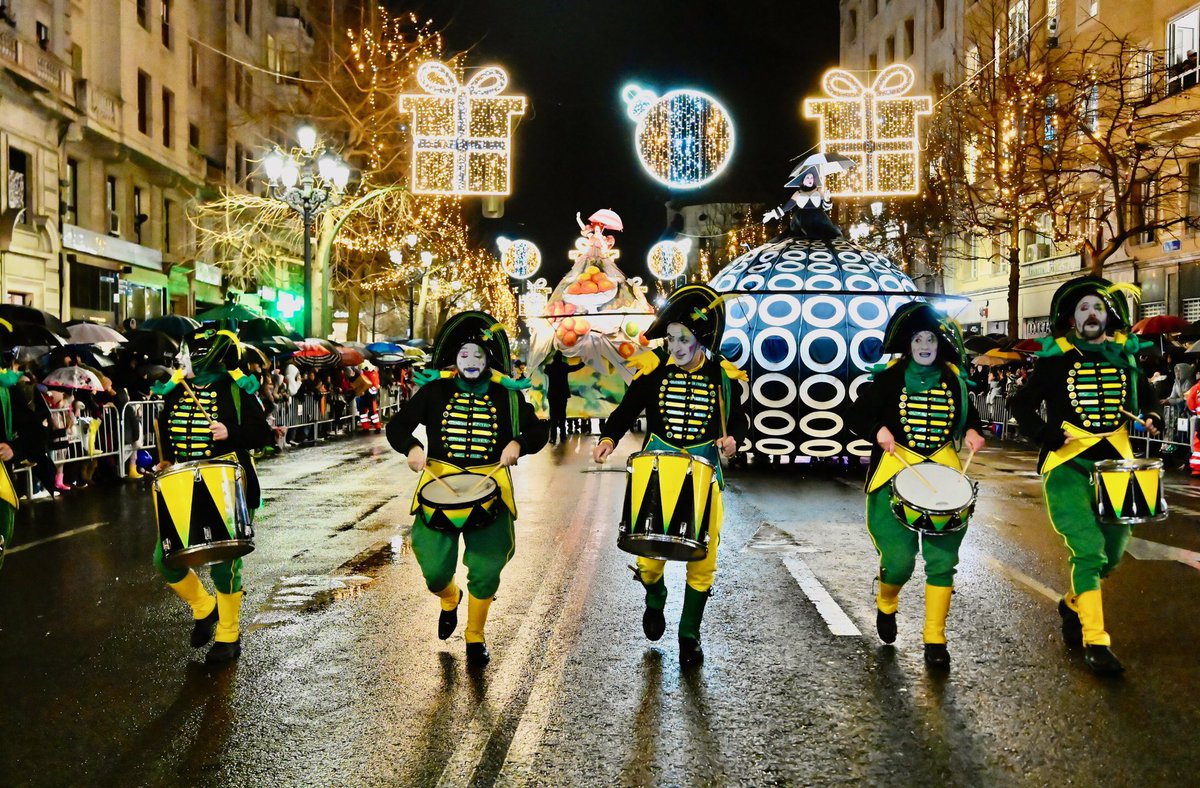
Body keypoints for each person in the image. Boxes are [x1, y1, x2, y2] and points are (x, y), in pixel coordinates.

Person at [1010, 276, 1163, 675]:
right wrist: (1044, 433)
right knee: (1088, 549)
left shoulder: (1124, 356)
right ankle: (1097, 641)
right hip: (1068, 465)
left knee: (1111, 557)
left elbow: (1144, 396)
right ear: (1072, 318)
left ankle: (1073, 603)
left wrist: (1152, 415)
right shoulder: (1056, 359)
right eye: (1083, 309)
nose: (1091, 314)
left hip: (1118, 465)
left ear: (1107, 315)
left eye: (1097, 307)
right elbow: (1021, 403)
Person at [592, 284, 748, 667]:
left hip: (703, 475)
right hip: (657, 472)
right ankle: (655, 596)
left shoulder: (721, 376)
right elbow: (627, 408)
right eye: (672, 338)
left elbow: (739, 420)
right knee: (648, 558)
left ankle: (689, 634)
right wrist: (609, 437)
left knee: (703, 561)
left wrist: (733, 440)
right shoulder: (654, 370)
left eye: (684, 339)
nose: (676, 346)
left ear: (701, 340)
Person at [386, 312, 548, 666]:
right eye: (464, 356)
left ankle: (475, 636)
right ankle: (449, 598)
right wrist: (412, 448)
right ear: (454, 359)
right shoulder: (434, 391)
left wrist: (519, 443)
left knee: (488, 568)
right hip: (438, 488)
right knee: (434, 572)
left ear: (489, 358)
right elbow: (397, 426)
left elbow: (539, 431)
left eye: (478, 355)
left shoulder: (508, 396)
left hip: (491, 487)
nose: (471, 362)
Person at [848, 303, 986, 668]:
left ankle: (935, 638)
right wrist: (877, 429)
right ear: (908, 345)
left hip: (943, 472)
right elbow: (858, 415)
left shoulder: (954, 379)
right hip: (895, 469)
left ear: (940, 344)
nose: (926, 344)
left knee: (942, 562)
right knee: (899, 562)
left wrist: (973, 431)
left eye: (932, 339)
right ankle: (887, 601)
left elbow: (969, 417)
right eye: (919, 339)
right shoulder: (889, 379)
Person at [152, 330, 273, 664]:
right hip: (183, 484)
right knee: (164, 559)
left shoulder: (235, 388)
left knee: (225, 564)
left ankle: (229, 636)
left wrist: (230, 433)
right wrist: (165, 458)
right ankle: (204, 608)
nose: (180, 360)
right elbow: (167, 431)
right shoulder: (176, 390)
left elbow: (263, 433)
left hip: (227, 482)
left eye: (187, 354)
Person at [545, 351, 569, 445]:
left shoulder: (549, 367)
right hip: (563, 395)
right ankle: (563, 436)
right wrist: (584, 363)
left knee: (553, 417)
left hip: (553, 395)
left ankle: (553, 438)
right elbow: (575, 368)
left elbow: (544, 370)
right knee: (563, 415)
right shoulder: (564, 366)